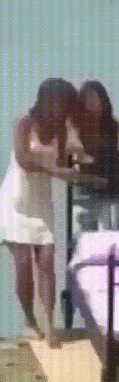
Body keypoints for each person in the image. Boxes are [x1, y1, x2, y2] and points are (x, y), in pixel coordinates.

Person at [0, 78, 83, 347]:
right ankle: (29, 320)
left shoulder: (61, 130)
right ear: (46, 100)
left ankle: (49, 323)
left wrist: (73, 169)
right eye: (58, 102)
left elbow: (64, 163)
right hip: (16, 200)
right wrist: (54, 170)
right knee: (23, 262)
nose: (61, 108)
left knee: (46, 260)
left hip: (41, 202)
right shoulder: (24, 123)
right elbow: (23, 159)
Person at [73, 81, 119, 232]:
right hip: (84, 196)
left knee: (112, 241)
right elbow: (70, 161)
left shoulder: (118, 128)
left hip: (112, 195)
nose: (92, 105)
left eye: (95, 100)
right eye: (87, 101)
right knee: (83, 240)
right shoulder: (76, 130)